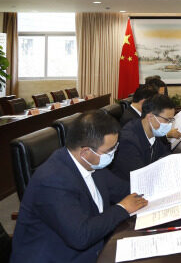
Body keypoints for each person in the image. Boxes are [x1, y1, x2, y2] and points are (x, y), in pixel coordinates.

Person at [10, 111, 148, 263]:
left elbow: (123, 189)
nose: (114, 152)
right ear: (85, 152)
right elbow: (81, 236)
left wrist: (156, 188)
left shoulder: (92, 165)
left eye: (116, 146)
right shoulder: (52, 180)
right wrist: (122, 208)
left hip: (94, 247)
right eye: (110, 150)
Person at [111, 94, 181, 181]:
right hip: (129, 191)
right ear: (150, 117)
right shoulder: (128, 141)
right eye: (167, 120)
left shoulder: (154, 132)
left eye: (171, 120)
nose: (169, 125)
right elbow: (142, 178)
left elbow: (165, 159)